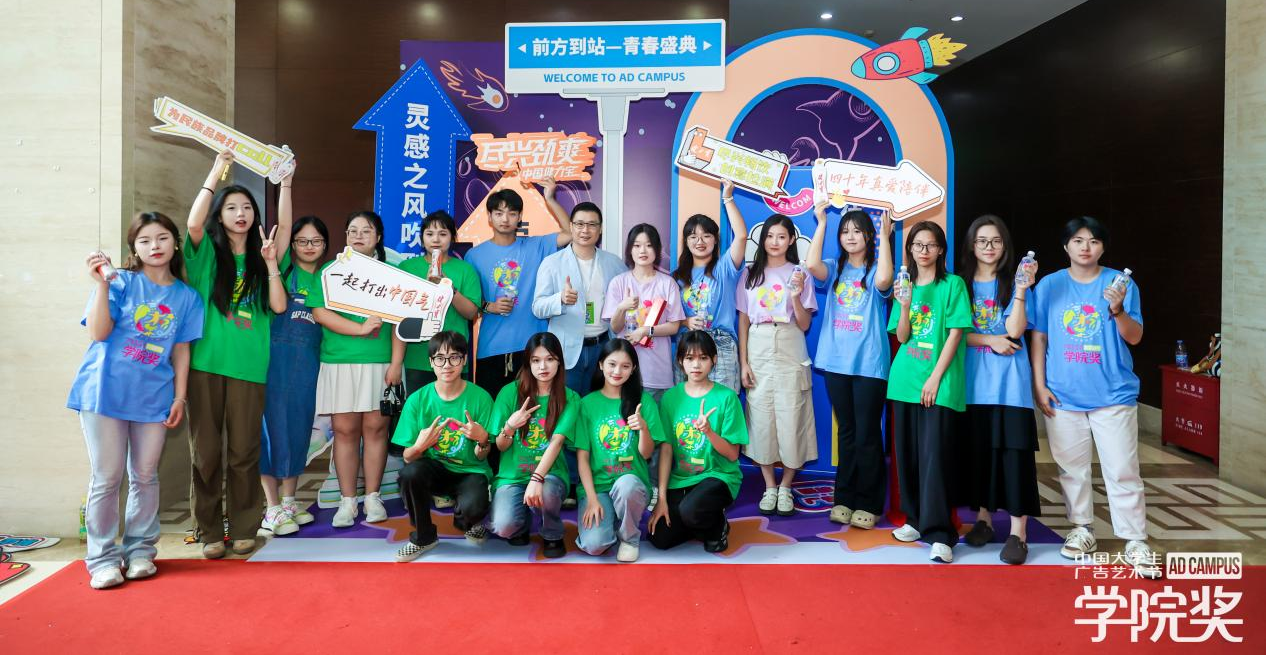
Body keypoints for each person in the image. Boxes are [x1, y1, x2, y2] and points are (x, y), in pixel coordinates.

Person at [69, 212, 204, 588]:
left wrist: (180, 398)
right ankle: (102, 560)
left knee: (145, 476)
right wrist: (101, 285)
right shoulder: (120, 282)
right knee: (107, 478)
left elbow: (181, 350)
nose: (154, 246)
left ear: (175, 242)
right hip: (104, 393)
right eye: (144, 241)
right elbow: (98, 333)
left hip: (154, 397)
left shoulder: (187, 297)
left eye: (162, 238)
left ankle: (140, 552)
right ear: (134, 248)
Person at [1031, 216, 1159, 578]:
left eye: (1093, 241)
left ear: (1103, 246)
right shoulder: (1050, 285)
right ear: (1066, 246)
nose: (1085, 247)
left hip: (1113, 393)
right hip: (1063, 393)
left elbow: (1135, 336)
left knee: (1122, 469)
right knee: (1072, 469)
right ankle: (1082, 528)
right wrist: (1039, 385)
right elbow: (1038, 336)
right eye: (1078, 241)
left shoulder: (1120, 283)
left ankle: (1135, 539)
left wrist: (1117, 309)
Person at [184, 151, 290, 558]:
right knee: (206, 454)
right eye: (231, 207)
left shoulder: (265, 256)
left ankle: (245, 525)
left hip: (249, 369)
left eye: (247, 207)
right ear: (220, 214)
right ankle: (210, 530)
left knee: (244, 452)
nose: (241, 213)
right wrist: (216, 171)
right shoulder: (206, 255)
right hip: (204, 366)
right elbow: (193, 223)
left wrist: (286, 182)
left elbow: (278, 302)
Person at [957, 215, 1042, 565]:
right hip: (971, 386)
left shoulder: (1015, 283)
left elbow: (1016, 330)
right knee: (979, 455)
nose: (989, 247)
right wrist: (990, 340)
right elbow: (953, 333)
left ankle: (1018, 533)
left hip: (1010, 387)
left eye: (995, 241)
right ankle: (984, 520)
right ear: (971, 246)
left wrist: (1021, 289)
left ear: (1005, 246)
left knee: (1014, 456)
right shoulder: (959, 284)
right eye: (982, 241)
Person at [308, 210, 400, 528]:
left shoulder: (392, 275)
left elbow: (401, 324)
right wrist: (359, 330)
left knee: (376, 430)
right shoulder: (331, 271)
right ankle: (347, 501)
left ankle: (373, 497)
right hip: (339, 362)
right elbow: (320, 313)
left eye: (366, 230)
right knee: (345, 431)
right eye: (352, 231)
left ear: (378, 237)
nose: (358, 236)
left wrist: (396, 363)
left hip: (381, 363)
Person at [886, 221, 971, 564]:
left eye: (930, 245)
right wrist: (905, 305)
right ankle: (915, 520)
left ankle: (940, 533)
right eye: (917, 245)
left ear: (940, 250)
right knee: (908, 456)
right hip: (904, 382)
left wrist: (935, 378)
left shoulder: (953, 285)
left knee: (935, 458)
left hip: (939, 383)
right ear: (909, 249)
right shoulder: (904, 286)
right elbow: (902, 337)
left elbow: (955, 334)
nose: (924, 251)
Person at [805, 204, 893, 530]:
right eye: (845, 231)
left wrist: (885, 237)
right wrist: (822, 222)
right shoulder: (835, 268)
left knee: (868, 433)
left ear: (869, 236)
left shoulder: (877, 269)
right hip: (836, 362)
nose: (851, 236)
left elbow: (884, 279)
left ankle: (869, 503)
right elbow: (811, 264)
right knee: (847, 432)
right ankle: (844, 498)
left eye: (858, 231)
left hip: (869, 364)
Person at [737, 215, 818, 517]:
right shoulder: (749, 273)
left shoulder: (800, 273)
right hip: (758, 344)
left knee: (792, 416)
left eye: (781, 236)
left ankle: (786, 486)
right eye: (770, 236)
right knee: (760, 419)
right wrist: (744, 362)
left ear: (791, 240)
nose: (774, 242)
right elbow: (743, 320)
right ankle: (769, 486)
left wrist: (795, 297)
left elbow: (805, 323)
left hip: (790, 341)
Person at [392, 331, 495, 562]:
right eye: (440, 358)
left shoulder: (481, 398)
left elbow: (482, 456)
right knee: (409, 474)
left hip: (470, 471)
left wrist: (482, 439)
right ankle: (423, 537)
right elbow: (408, 458)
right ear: (431, 362)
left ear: (464, 360)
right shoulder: (417, 400)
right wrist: (420, 446)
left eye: (454, 357)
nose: (447, 365)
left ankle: (467, 521)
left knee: (474, 506)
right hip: (435, 468)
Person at [465, 180, 572, 395]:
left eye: (512, 213)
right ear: (489, 217)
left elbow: (571, 233)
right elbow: (469, 303)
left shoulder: (536, 246)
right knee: (493, 409)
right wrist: (489, 306)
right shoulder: (474, 256)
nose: (505, 219)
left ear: (520, 217)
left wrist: (550, 198)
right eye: (499, 213)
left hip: (532, 348)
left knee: (531, 408)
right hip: (491, 347)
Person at [648, 331, 748, 552]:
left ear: (714, 360)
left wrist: (709, 432)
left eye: (703, 358)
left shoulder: (727, 398)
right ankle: (694, 520)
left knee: (691, 511)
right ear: (680, 361)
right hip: (681, 480)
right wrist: (661, 498)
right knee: (659, 538)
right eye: (689, 358)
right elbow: (666, 450)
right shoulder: (670, 398)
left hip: (717, 476)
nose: (696, 365)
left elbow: (732, 454)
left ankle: (717, 526)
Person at [260, 215, 328, 535]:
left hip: (309, 365)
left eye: (316, 241)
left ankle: (289, 501)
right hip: (275, 361)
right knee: (270, 431)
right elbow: (284, 226)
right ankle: (271, 507)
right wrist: (286, 188)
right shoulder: (284, 268)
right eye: (302, 241)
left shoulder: (330, 278)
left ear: (325, 245)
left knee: (299, 430)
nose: (309, 246)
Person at [487, 333, 579, 558]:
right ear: (528, 363)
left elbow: (557, 442)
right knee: (503, 527)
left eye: (549, 359)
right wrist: (510, 426)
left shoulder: (570, 398)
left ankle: (552, 533)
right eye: (536, 360)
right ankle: (521, 523)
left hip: (550, 475)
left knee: (546, 492)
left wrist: (537, 478)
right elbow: (500, 446)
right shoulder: (509, 392)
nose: (543, 367)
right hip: (513, 476)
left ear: (559, 361)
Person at [574, 339, 666, 562]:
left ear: (633, 369)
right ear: (600, 365)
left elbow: (647, 454)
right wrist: (592, 499)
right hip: (598, 488)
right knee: (594, 545)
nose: (617, 372)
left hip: (631, 484)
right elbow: (582, 458)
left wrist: (643, 428)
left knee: (626, 486)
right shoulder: (586, 404)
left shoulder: (643, 401)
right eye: (612, 364)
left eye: (625, 366)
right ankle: (613, 518)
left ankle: (629, 538)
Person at [533, 201, 625, 395]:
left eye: (592, 224)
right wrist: (560, 298)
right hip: (566, 350)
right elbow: (538, 307)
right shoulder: (551, 263)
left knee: (598, 405)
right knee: (567, 405)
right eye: (580, 224)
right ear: (571, 226)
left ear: (600, 229)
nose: (585, 230)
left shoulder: (614, 263)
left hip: (603, 347)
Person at [670, 180, 749, 392]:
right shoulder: (676, 277)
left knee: (721, 404)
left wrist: (728, 198)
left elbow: (742, 236)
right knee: (688, 405)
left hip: (720, 345)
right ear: (686, 241)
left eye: (706, 236)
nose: (700, 241)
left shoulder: (725, 268)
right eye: (693, 236)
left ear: (715, 240)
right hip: (687, 346)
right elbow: (669, 317)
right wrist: (685, 321)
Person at [396, 210, 482, 395]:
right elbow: (398, 316)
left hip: (454, 358)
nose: (436, 239)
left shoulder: (465, 270)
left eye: (443, 234)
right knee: (420, 410)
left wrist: (447, 287)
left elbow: (471, 313)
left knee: (455, 410)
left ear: (452, 238)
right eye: (429, 234)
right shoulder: (407, 268)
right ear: (422, 238)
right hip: (417, 358)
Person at [603, 223, 685, 400]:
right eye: (637, 245)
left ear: (657, 250)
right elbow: (615, 328)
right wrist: (622, 307)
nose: (643, 250)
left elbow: (674, 326)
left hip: (657, 372)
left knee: (654, 417)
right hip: (623, 372)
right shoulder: (618, 282)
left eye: (649, 245)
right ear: (629, 250)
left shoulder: (667, 283)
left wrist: (645, 331)